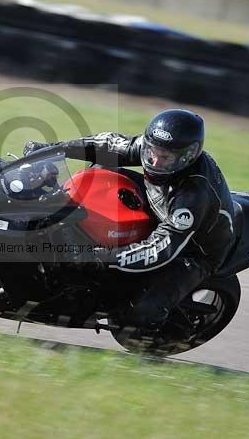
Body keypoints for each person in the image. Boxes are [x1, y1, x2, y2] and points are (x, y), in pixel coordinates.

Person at [23, 109, 237, 330]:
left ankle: (150, 334)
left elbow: (160, 249)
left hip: (192, 249)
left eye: (165, 158)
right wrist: (53, 150)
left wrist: (100, 256)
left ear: (186, 157)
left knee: (138, 315)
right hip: (157, 202)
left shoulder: (192, 197)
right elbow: (106, 145)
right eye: (152, 151)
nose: (154, 160)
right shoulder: (157, 151)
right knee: (100, 171)